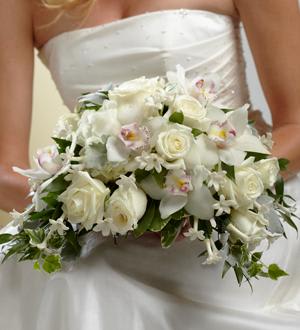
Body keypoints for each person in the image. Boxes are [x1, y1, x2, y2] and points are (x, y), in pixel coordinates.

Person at [0, 1, 299, 329]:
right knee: (63, 269)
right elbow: (5, 172)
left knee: (93, 281)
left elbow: (296, 125)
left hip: (241, 208)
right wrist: (96, 211)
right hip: (110, 226)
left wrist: (209, 195)